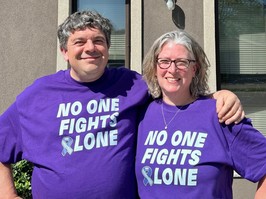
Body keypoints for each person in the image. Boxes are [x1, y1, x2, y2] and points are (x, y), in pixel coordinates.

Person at [0, 11, 244, 199]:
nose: (90, 48)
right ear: (64, 51)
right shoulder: (38, 95)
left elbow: (174, 88)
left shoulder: (132, 85)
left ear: (107, 48)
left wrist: (218, 95)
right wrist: (8, 194)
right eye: (79, 42)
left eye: (98, 40)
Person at [135, 30, 266, 199]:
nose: (172, 69)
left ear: (194, 69)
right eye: (164, 61)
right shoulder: (141, 114)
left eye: (182, 62)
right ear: (154, 68)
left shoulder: (220, 115)